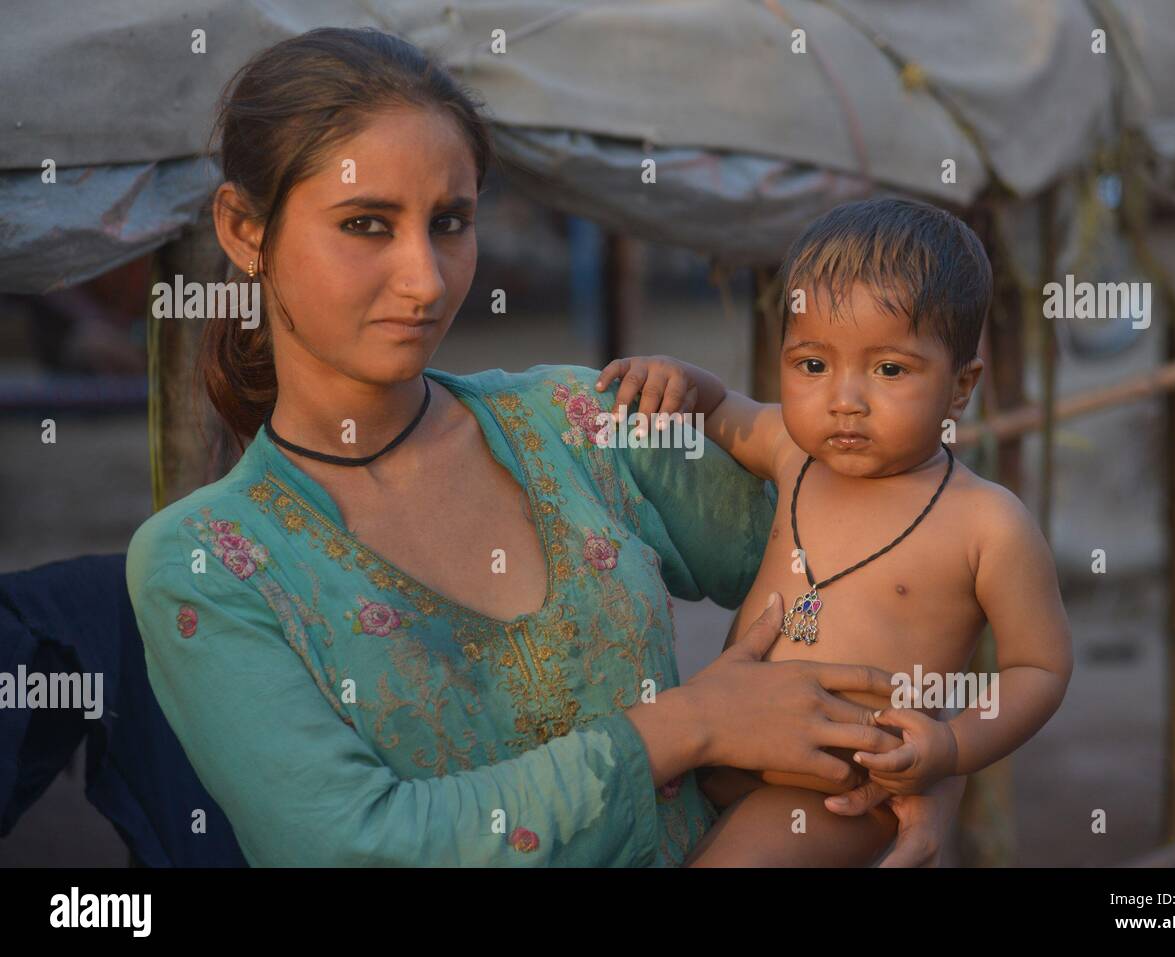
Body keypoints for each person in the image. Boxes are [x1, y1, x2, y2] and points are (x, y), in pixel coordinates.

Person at [125, 27, 966, 867]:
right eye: (367, 224)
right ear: (243, 229)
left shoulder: (579, 421)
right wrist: (694, 723)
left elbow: (898, 563)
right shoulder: (207, 563)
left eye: (449, 222)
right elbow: (355, 844)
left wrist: (914, 756)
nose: (425, 279)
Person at [596, 197, 1073, 866]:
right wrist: (680, 380)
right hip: (723, 750)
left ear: (961, 387)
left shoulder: (987, 523)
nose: (844, 399)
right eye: (813, 365)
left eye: (889, 370)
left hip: (835, 789)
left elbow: (1040, 667)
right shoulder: (795, 453)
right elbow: (722, 407)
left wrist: (953, 747)